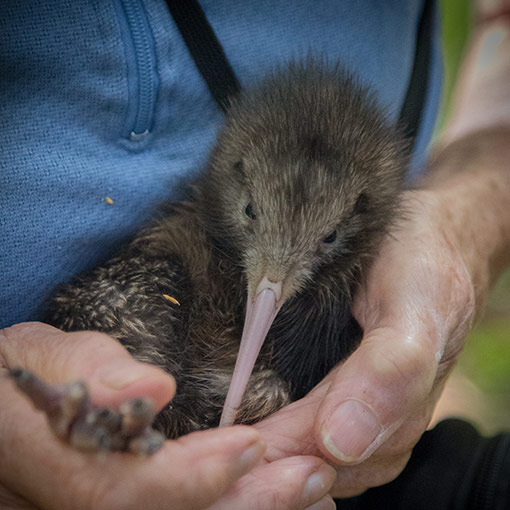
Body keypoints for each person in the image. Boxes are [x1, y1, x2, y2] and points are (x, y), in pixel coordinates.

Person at [0, 1, 508, 509]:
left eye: (327, 239)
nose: (272, 280)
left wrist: (469, 214)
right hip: (67, 377)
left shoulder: (341, 259)